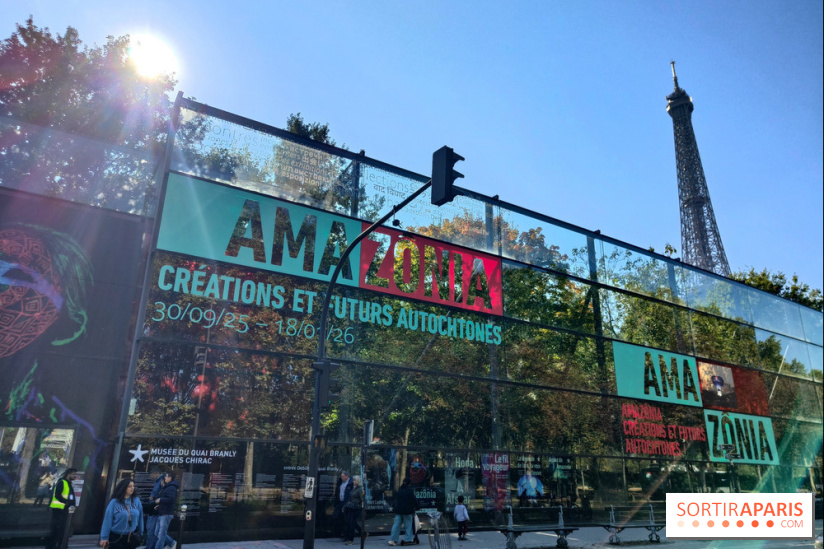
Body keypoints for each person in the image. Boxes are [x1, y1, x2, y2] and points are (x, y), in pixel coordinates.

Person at [99, 478, 144, 549]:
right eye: (129, 486)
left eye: (133, 486)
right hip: (116, 537)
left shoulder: (136, 500)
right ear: (123, 487)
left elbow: (140, 518)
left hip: (132, 537)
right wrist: (104, 537)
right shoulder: (114, 502)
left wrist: (141, 533)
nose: (132, 488)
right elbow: (107, 520)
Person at [45, 468, 77, 549]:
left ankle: (59, 544)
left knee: (61, 528)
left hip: (63, 509)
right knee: (57, 528)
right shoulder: (62, 482)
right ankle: (53, 545)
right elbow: (57, 495)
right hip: (59, 509)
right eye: (73, 474)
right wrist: (66, 502)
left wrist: (72, 504)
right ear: (68, 474)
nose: (75, 476)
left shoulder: (68, 483)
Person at [144, 472, 174, 549]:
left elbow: (158, 493)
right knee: (153, 530)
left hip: (157, 508)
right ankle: (169, 542)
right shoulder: (161, 481)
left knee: (152, 530)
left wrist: (153, 498)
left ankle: (169, 542)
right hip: (155, 507)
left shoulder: (163, 482)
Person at [152, 472, 179, 549]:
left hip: (166, 513)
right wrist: (159, 506)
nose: (165, 478)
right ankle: (171, 542)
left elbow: (171, 499)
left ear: (170, 477)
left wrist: (160, 500)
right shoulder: (168, 486)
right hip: (162, 512)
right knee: (157, 533)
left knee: (161, 535)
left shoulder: (172, 487)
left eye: (166, 476)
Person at [388, 478, 417, 546]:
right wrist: (417, 506)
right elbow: (413, 500)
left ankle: (393, 539)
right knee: (408, 525)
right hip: (407, 511)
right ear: (409, 483)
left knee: (396, 525)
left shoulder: (400, 489)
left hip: (399, 510)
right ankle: (408, 539)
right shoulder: (410, 490)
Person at [344, 476, 364, 545]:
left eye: (355, 480)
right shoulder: (354, 488)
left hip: (356, 508)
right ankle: (363, 533)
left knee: (351, 524)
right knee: (351, 523)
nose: (353, 482)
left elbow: (362, 500)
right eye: (353, 480)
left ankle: (351, 539)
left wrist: (361, 507)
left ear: (357, 481)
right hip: (350, 507)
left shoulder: (360, 489)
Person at [333, 471, 353, 539]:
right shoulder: (341, 482)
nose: (341, 478)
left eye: (342, 476)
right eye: (341, 476)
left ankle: (347, 534)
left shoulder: (350, 483)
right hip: (340, 502)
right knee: (338, 517)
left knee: (346, 519)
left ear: (347, 476)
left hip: (346, 503)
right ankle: (340, 532)